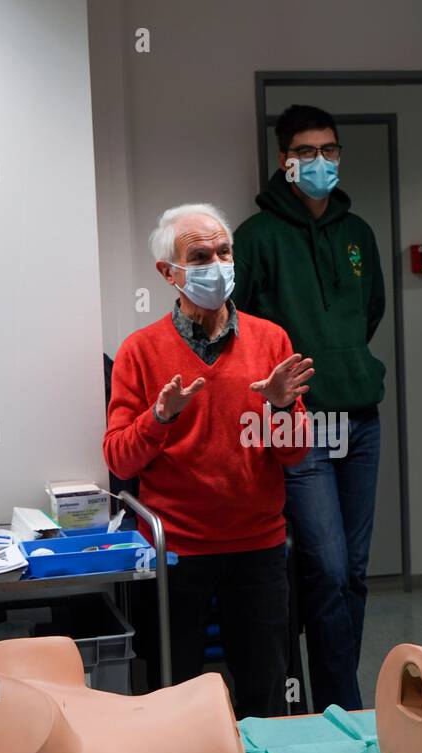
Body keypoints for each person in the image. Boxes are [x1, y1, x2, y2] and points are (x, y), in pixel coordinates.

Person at [104, 203, 314, 719]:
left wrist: (282, 407)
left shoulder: (271, 340)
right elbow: (119, 459)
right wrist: (159, 417)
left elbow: (295, 451)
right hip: (176, 551)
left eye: (224, 252)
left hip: (257, 545)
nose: (217, 264)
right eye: (200, 256)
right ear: (168, 273)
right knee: (173, 697)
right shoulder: (141, 351)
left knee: (265, 694)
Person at [234, 105, 386, 711]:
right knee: (323, 567)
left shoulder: (359, 234)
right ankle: (341, 709)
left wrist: (343, 357)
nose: (319, 161)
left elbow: (369, 311)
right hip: (302, 424)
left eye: (329, 150)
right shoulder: (256, 237)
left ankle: (336, 697)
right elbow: (237, 328)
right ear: (284, 161)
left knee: (353, 572)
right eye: (305, 152)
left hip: (361, 418)